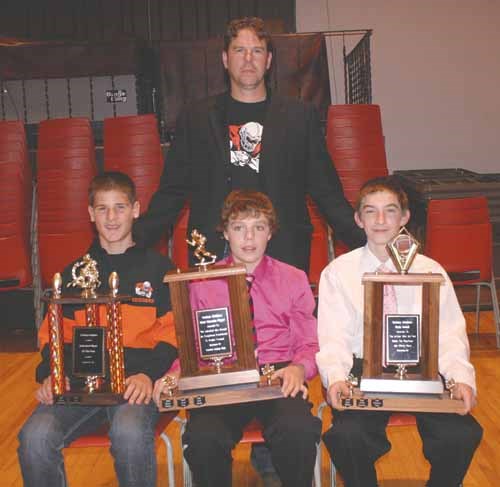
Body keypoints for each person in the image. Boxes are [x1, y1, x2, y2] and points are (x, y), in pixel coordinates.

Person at [135, 16, 365, 273]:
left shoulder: (299, 117)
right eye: (239, 50)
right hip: (216, 251)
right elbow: (172, 191)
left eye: (257, 51)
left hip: (283, 250)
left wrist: (368, 239)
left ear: (268, 61)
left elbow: (326, 191)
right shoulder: (196, 118)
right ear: (225, 59)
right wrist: (132, 239)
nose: (248, 59)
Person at [316, 176, 483, 487]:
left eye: (390, 211)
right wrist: (335, 377)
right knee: (347, 436)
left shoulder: (431, 271)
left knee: (461, 433)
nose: (380, 221)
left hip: (423, 368)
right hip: (362, 370)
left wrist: (460, 378)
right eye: (370, 211)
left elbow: (449, 334)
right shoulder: (338, 273)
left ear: (404, 218)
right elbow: (333, 336)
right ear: (358, 219)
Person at [18, 172, 178, 487]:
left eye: (119, 207)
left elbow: (172, 333)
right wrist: (53, 374)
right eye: (102, 209)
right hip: (79, 387)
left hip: (135, 386)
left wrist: (149, 375)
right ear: (90, 214)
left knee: (129, 433)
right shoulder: (73, 275)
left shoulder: (160, 271)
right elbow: (51, 337)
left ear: (135, 209)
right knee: (35, 437)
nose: (111, 217)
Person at [154, 189, 322, 487]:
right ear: (225, 233)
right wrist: (173, 374)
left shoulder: (294, 278)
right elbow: (193, 345)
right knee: (204, 437)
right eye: (239, 228)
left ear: (270, 233)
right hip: (222, 374)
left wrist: (299, 368)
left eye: (258, 227)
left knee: (298, 428)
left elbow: (308, 343)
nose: (248, 238)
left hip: (278, 373)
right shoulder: (202, 282)